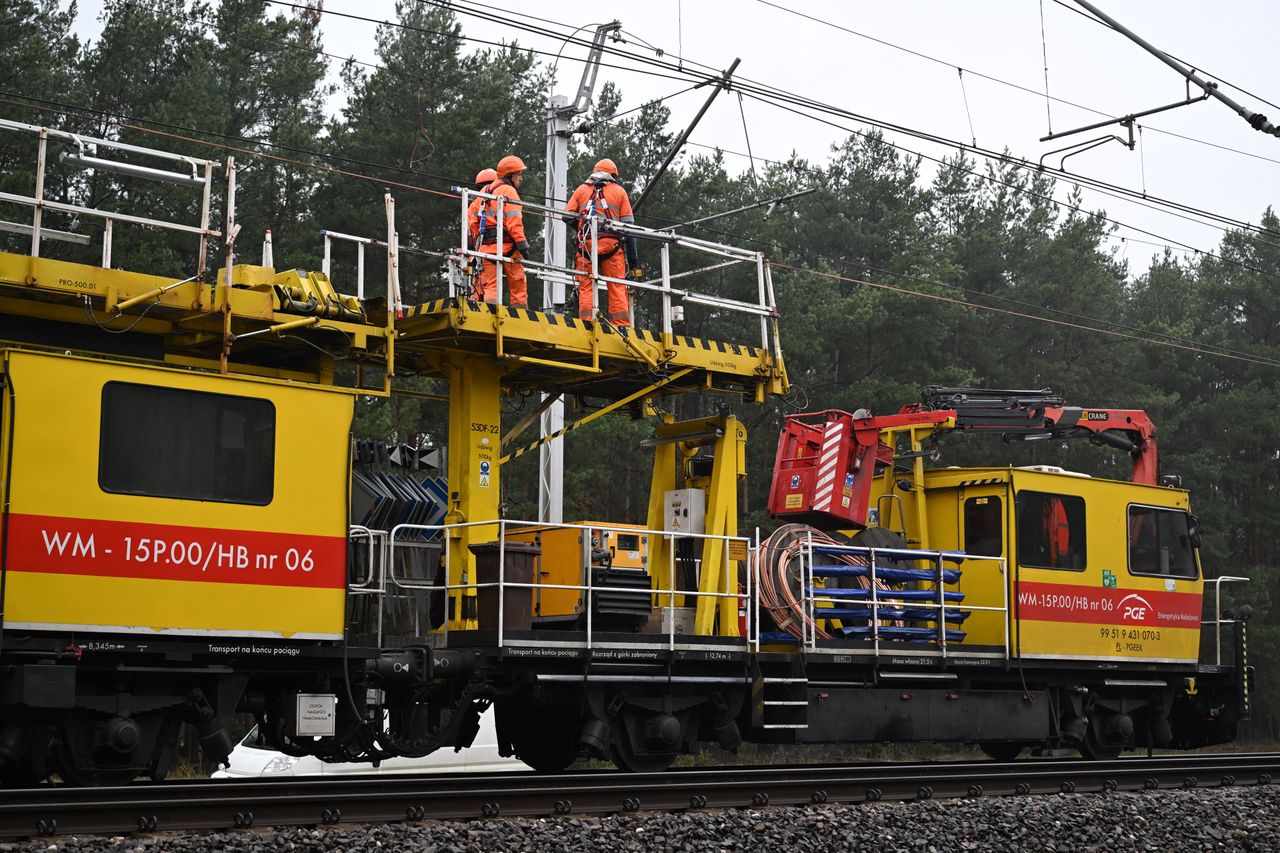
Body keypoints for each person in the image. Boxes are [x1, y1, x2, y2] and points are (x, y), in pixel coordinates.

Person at [564, 158, 640, 326]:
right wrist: (634, 260)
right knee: (617, 287)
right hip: (611, 248)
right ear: (613, 175)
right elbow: (629, 228)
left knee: (585, 287)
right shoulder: (619, 192)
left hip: (586, 247)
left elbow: (566, 216)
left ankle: (586, 323)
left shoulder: (581, 190)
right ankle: (621, 326)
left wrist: (582, 230)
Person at [475, 155, 530, 308]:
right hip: (508, 247)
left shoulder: (484, 192)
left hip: (486, 248)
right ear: (510, 175)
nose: (520, 179)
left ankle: (490, 314)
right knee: (518, 283)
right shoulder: (509, 192)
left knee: (491, 286)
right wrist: (522, 243)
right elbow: (514, 222)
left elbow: (472, 221)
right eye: (519, 175)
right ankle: (521, 318)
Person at [464, 167, 499, 300]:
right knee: (491, 285)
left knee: (476, 285)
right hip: (489, 248)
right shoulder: (497, 203)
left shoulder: (473, 205)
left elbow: (471, 228)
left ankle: (474, 309)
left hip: (474, 250)